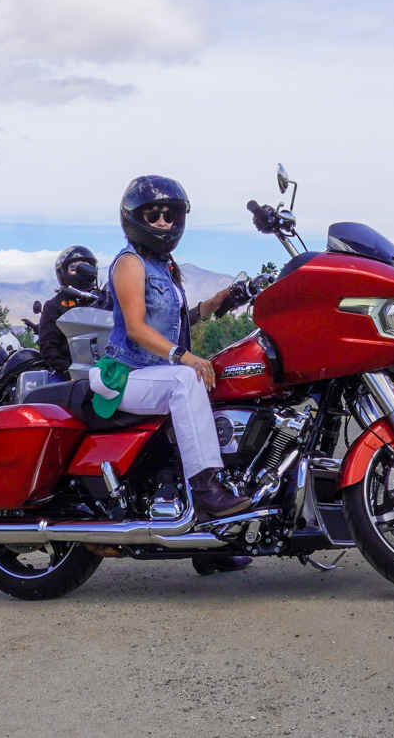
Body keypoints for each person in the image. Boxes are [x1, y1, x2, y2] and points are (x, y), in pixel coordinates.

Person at [96, 175, 253, 526]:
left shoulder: (164, 268)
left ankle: (221, 537)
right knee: (186, 380)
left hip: (155, 373)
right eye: (154, 215)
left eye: (171, 215)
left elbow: (171, 324)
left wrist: (215, 303)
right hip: (127, 375)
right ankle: (206, 490)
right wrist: (184, 357)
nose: (164, 223)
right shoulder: (129, 263)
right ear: (134, 218)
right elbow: (137, 329)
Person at [36, 245, 105, 375]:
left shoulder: (104, 300)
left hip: (105, 370)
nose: (81, 271)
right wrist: (68, 370)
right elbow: (48, 347)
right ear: (63, 272)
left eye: (85, 266)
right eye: (73, 267)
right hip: (69, 373)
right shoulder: (54, 305)